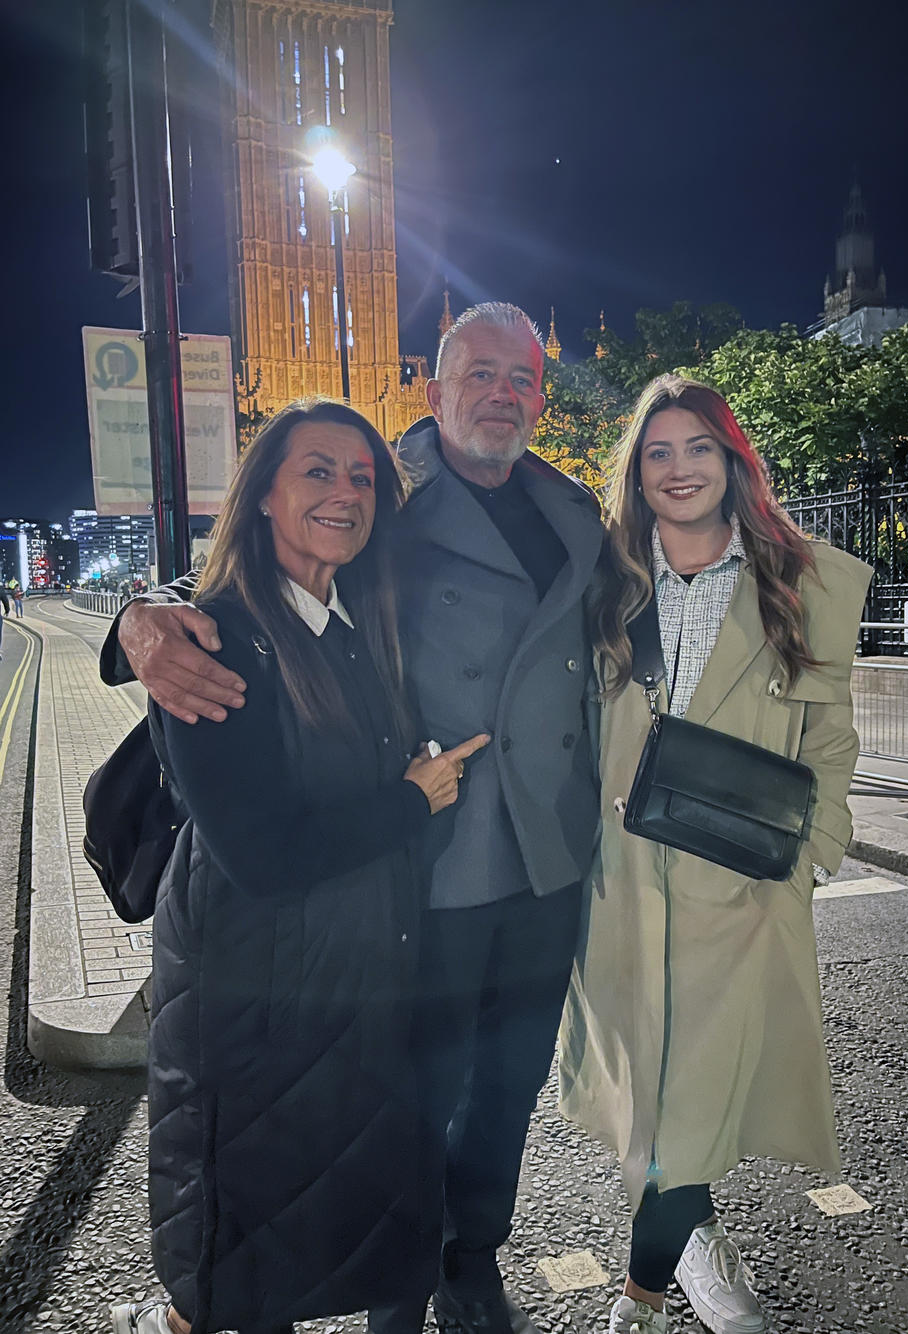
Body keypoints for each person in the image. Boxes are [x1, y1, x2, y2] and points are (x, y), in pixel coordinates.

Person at [101, 304, 605, 1334]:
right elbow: (239, 585)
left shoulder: (573, 510)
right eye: (478, 374)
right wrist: (133, 619)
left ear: (540, 397)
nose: (500, 395)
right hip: (431, 861)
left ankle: (468, 1259)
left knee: (499, 1092)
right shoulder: (391, 503)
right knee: (401, 1108)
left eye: (520, 378)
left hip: (542, 857)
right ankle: (381, 1290)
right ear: (433, 388)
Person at [110, 398, 489, 1334]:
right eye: (317, 471)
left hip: (346, 985)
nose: (346, 492)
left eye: (362, 477)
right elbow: (262, 858)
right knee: (243, 1257)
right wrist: (413, 800)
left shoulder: (353, 617)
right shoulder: (217, 640)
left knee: (332, 1230)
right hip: (255, 1006)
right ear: (263, 496)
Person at [558, 373, 872, 1334]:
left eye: (699, 447)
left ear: (734, 462)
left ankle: (642, 1293)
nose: (679, 468)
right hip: (620, 890)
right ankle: (693, 1238)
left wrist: (809, 855)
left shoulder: (804, 579)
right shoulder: (602, 580)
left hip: (739, 888)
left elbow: (830, 739)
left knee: (695, 1094)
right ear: (637, 474)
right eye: (658, 452)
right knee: (648, 1102)